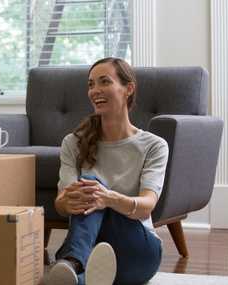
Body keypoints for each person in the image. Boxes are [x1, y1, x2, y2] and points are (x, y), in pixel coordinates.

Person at [43, 57, 168, 285]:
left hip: (138, 251)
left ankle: (71, 262)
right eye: (91, 84)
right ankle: (74, 272)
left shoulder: (154, 145)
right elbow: (61, 204)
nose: (95, 90)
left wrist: (107, 198)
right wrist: (67, 203)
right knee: (87, 187)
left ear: (128, 89)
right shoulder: (73, 142)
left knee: (90, 183)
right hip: (91, 248)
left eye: (104, 82)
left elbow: (146, 206)